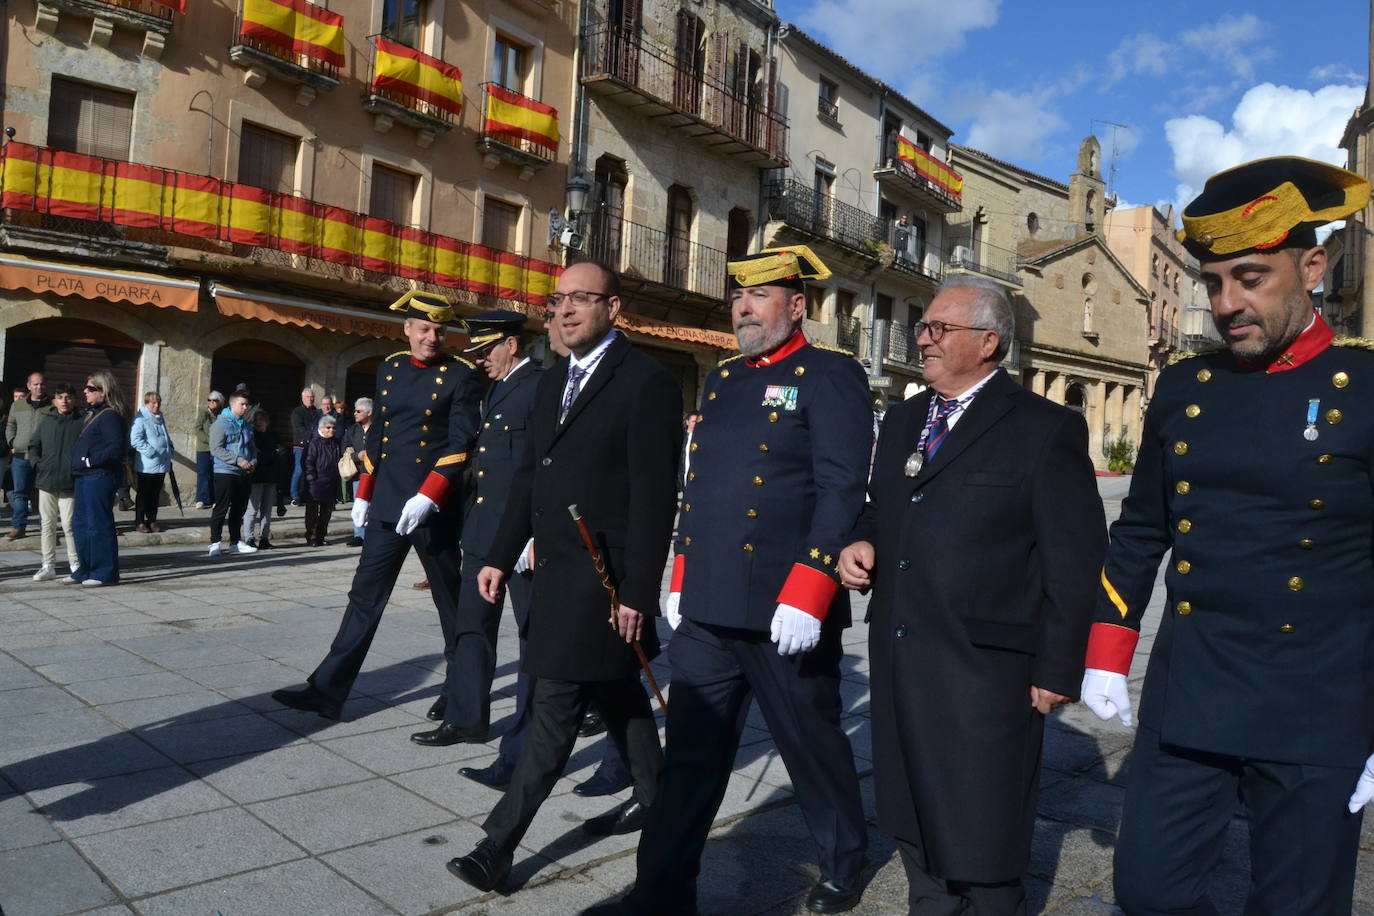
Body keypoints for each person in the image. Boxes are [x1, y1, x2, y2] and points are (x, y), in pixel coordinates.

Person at [1080, 157, 1374, 914]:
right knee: (1149, 891)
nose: (1226, 303)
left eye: (1250, 278)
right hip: (1193, 691)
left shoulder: (1365, 389)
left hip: (1319, 701)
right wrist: (1109, 650)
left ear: (1311, 267)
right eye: (1213, 284)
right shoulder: (1187, 386)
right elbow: (1141, 529)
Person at [606, 246, 872, 916]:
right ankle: (661, 889)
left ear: (798, 305)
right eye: (738, 298)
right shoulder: (724, 379)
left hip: (786, 611)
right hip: (711, 607)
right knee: (691, 756)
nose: (744, 309)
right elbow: (700, 490)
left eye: (760, 296)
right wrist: (682, 571)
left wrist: (811, 589)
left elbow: (842, 490)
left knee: (810, 748)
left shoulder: (830, 375)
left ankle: (843, 858)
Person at [833, 274, 1105, 913]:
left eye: (937, 328)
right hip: (903, 658)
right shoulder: (903, 421)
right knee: (911, 811)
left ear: (987, 342)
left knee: (982, 823)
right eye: (923, 327)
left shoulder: (1044, 428)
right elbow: (882, 510)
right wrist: (860, 541)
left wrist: (1060, 665)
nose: (922, 339)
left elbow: (1075, 559)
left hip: (987, 668)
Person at [445, 261, 681, 894]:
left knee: (553, 711)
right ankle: (664, 809)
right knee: (622, 702)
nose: (566, 309)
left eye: (582, 298)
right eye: (559, 299)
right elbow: (530, 477)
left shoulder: (647, 383)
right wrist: (498, 553)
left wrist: (638, 592)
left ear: (614, 308)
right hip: (554, 575)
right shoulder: (552, 382)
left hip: (603, 585)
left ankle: (495, 847)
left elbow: (656, 500)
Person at [271, 291, 483, 720]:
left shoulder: (460, 375)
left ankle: (459, 688)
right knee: (364, 596)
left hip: (431, 505)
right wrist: (365, 493)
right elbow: (378, 437)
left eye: (440, 330)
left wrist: (430, 495)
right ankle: (327, 689)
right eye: (424, 329)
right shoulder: (390, 368)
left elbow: (462, 443)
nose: (432, 337)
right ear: (407, 329)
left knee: (449, 600)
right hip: (388, 501)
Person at [414, 311, 543, 749]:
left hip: (522, 535)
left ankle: (538, 724)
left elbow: (546, 466)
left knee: (533, 632)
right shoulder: (496, 387)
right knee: (472, 626)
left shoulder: (541, 385)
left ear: (511, 344)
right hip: (484, 530)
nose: (480, 359)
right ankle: (466, 719)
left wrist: (536, 531)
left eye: (486, 350)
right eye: (475, 352)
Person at [69, 371, 130, 587]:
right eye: (86, 388)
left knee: (98, 525)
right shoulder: (93, 413)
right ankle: (84, 569)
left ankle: (104, 572)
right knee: (80, 524)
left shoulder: (109, 415)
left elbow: (116, 448)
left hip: (98, 476)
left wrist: (89, 461)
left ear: (104, 391)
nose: (85, 391)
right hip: (84, 478)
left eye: (91, 388)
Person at [27, 383, 82, 581]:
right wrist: (37, 464)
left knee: (69, 525)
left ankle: (75, 563)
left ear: (74, 399)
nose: (64, 400)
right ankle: (48, 565)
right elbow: (33, 446)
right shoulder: (47, 421)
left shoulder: (81, 421)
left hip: (70, 482)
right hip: (47, 480)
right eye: (60, 397)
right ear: (54, 400)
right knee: (47, 525)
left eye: (68, 397)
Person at [208, 392, 258, 557]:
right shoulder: (220, 424)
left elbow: (252, 447)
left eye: (247, 405)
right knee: (221, 508)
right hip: (225, 471)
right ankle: (215, 543)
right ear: (232, 404)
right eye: (242, 404)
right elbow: (216, 448)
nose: (245, 408)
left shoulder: (247, 425)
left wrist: (252, 462)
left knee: (239, 509)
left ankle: (235, 542)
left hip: (244, 473)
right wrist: (237, 460)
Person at [5, 371, 51, 539]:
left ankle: (44, 526)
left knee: (43, 493)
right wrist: (12, 442)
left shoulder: (52, 406)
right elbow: (10, 425)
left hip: (43, 456)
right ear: (29, 386)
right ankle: (19, 526)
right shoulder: (18, 405)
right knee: (20, 493)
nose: (39, 387)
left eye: (42, 384)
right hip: (20, 457)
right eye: (36, 384)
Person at [129, 391, 173, 533]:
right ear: (147, 403)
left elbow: (166, 437)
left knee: (155, 495)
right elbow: (136, 440)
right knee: (143, 494)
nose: (157, 405)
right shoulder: (141, 419)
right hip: (147, 465)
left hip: (161, 464)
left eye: (158, 402)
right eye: (153, 402)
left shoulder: (160, 418)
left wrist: (170, 449)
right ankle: (140, 522)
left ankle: (152, 520)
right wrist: (152, 452)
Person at [301, 413, 343, 546]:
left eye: (334, 428)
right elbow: (307, 462)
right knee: (312, 511)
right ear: (322, 428)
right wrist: (311, 479)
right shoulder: (314, 442)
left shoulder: (336, 443)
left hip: (331, 481)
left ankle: (321, 535)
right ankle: (311, 535)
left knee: (327, 511)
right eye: (329, 428)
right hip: (316, 481)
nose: (332, 430)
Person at [244, 410, 281, 549]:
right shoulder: (252, 436)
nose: (259, 422)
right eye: (257, 420)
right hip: (256, 477)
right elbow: (257, 455)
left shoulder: (273, 436)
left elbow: (280, 453)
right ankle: (249, 538)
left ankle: (264, 538)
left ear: (267, 422)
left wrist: (271, 456)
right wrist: (271, 456)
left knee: (267, 510)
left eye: (262, 419)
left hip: (271, 477)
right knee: (252, 509)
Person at [344, 398, 373, 546]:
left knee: (374, 505)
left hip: (376, 474)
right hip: (359, 474)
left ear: (369, 412)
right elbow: (346, 450)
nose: (355, 413)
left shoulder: (379, 429)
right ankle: (359, 535)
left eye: (359, 411)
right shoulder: (352, 430)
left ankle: (374, 534)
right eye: (354, 410)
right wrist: (357, 456)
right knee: (359, 504)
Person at [289, 387, 318, 506]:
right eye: (307, 397)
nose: (310, 399)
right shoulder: (297, 412)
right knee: (299, 470)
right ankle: (294, 496)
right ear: (302, 398)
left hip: (314, 445)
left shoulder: (316, 412)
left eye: (312, 397)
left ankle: (306, 495)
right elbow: (299, 429)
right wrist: (313, 437)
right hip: (301, 446)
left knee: (311, 471)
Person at [194, 391, 223, 509]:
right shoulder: (203, 413)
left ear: (219, 402)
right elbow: (197, 429)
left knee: (215, 474)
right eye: (209, 400)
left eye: (214, 400)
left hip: (217, 449)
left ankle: (214, 499)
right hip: (204, 448)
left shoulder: (221, 414)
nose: (211, 402)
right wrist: (208, 440)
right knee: (203, 473)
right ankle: (201, 499)